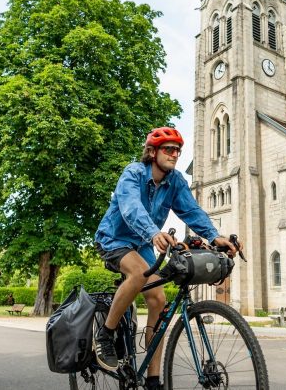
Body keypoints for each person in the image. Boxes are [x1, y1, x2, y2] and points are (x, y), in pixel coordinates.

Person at [93, 126, 239, 390]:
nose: (175, 155)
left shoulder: (175, 182)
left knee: (158, 301)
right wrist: (153, 232)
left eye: (178, 150)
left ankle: (152, 379)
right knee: (138, 273)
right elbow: (130, 208)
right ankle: (105, 334)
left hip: (143, 243)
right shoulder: (133, 173)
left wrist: (214, 236)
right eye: (169, 149)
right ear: (152, 152)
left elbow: (191, 211)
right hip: (115, 238)